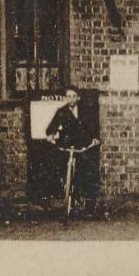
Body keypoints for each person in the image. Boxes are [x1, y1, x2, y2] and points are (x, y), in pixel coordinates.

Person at [44, 86, 101, 216]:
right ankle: (61, 193)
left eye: (73, 96)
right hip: (67, 145)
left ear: (78, 98)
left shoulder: (85, 111)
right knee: (57, 167)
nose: (71, 99)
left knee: (88, 172)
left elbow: (93, 127)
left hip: (82, 145)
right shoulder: (61, 112)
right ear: (66, 98)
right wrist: (50, 135)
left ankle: (90, 205)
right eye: (68, 96)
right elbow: (51, 127)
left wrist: (95, 139)